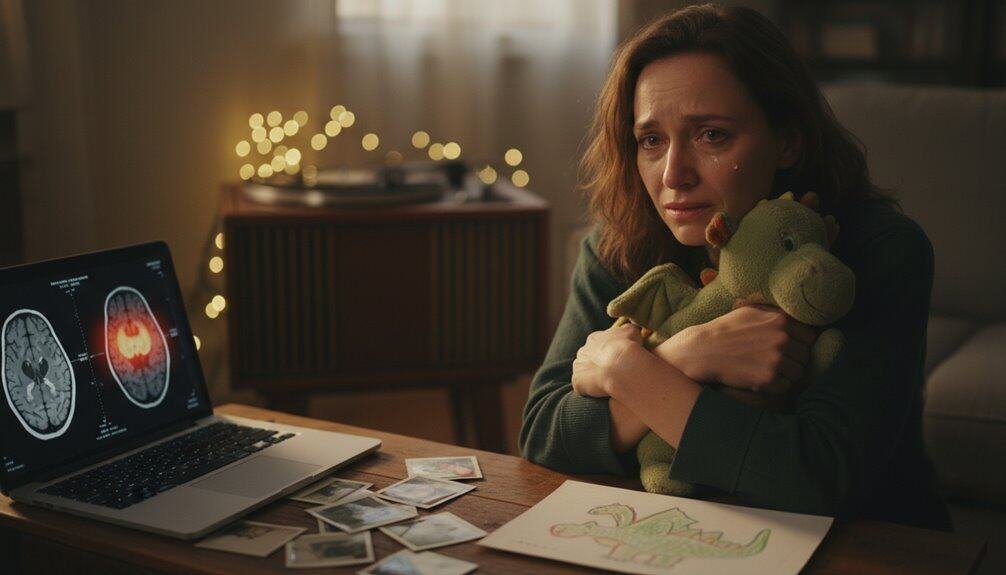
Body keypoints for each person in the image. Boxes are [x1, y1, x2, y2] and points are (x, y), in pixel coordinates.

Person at [518, 4, 952, 531]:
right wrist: (686, 355)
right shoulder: (617, 245)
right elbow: (543, 432)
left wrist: (622, 368)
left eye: (712, 135)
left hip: (872, 545)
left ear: (787, 140)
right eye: (651, 140)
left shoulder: (880, 250)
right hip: (670, 534)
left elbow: (818, 478)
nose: (674, 175)